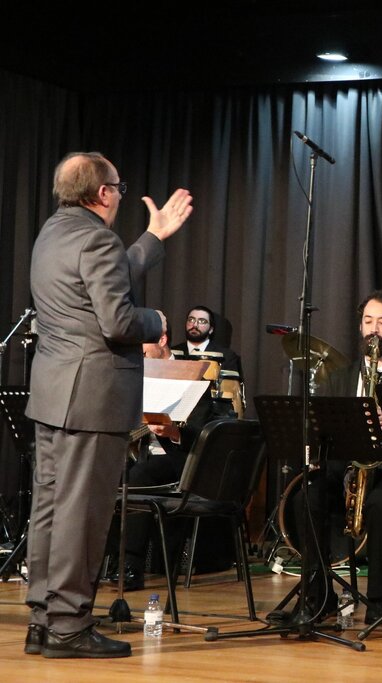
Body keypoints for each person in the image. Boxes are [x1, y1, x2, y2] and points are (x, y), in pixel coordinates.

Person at [25, 152, 191, 658]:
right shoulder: (97, 237)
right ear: (103, 193)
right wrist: (156, 318)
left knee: (51, 509)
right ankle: (70, 626)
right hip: (92, 398)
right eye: (118, 186)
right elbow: (118, 321)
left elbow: (106, 272)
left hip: (55, 395)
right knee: (83, 514)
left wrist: (154, 237)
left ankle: (44, 618)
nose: (120, 193)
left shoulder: (53, 232)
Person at [291, 290, 382, 625]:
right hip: (346, 467)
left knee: (381, 505)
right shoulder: (340, 377)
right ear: (360, 326)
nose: (374, 328)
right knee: (305, 498)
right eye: (368, 320)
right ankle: (318, 592)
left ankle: (376, 601)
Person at [114, 316, 222, 591]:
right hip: (141, 454)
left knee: (136, 477)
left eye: (144, 348)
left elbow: (200, 432)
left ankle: (130, 566)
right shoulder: (135, 375)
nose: (140, 354)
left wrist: (173, 432)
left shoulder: (191, 373)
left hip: (179, 460)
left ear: (162, 341)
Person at [171, 304, 243, 377]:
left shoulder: (226, 356)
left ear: (211, 329)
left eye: (202, 321)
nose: (195, 325)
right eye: (191, 320)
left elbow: (232, 386)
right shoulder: (173, 353)